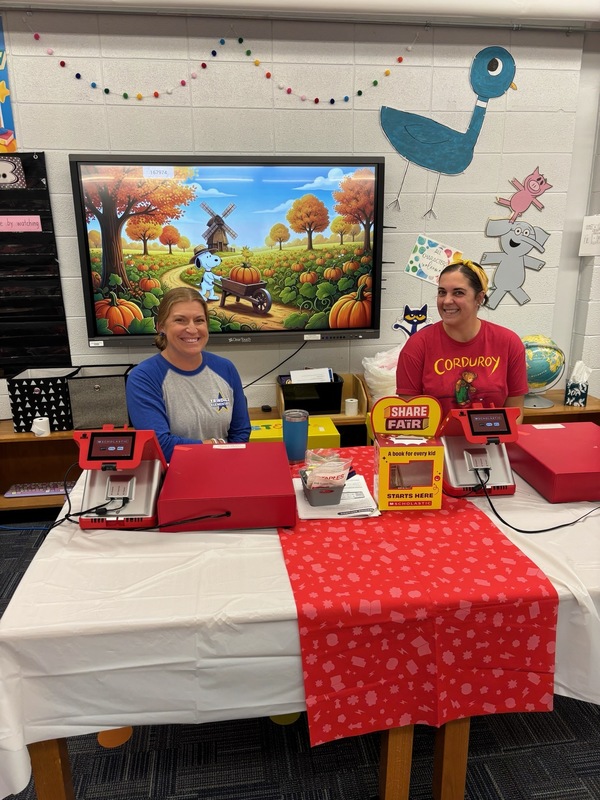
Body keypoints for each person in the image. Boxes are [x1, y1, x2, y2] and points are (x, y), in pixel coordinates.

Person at [126, 287, 251, 461]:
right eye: (180, 320)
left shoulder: (226, 368)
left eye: (199, 320)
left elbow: (241, 432)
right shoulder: (143, 377)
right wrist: (211, 445)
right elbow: (160, 444)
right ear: (161, 327)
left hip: (224, 471)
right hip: (172, 479)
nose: (192, 329)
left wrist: (225, 462)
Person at [396, 259, 528, 422]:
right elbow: (409, 418)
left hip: (492, 442)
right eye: (442, 292)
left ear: (479, 298)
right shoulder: (417, 346)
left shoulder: (509, 343)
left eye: (458, 292)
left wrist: (497, 444)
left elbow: (515, 412)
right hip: (436, 445)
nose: (446, 301)